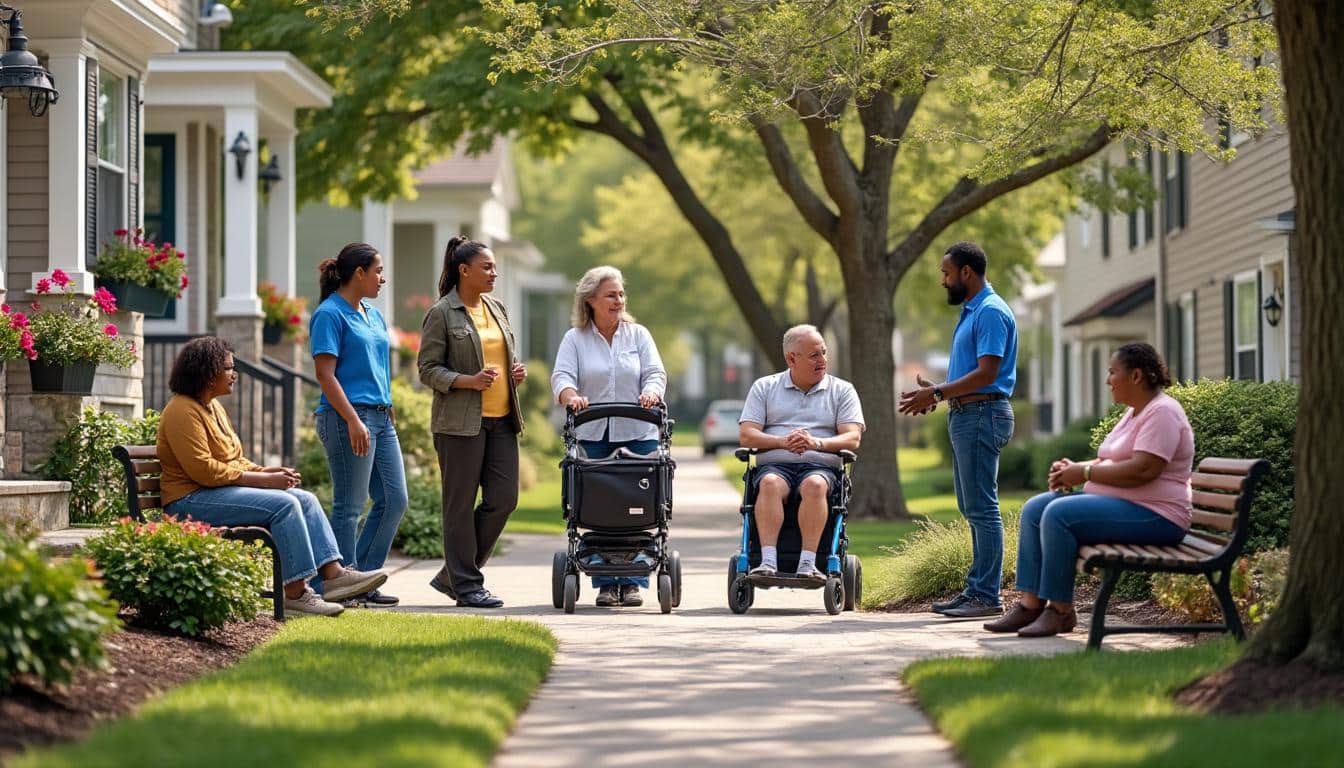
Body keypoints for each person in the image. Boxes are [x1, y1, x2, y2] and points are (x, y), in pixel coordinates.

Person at [157, 336, 388, 617]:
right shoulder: (181, 410)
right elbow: (203, 470)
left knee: (304, 499)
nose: (235, 374)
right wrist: (263, 481)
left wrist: (267, 471)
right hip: (189, 500)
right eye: (229, 368)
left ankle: (334, 575)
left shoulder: (212, 406)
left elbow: (232, 459)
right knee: (284, 505)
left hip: (213, 492)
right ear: (207, 373)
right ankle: (295, 594)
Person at [985, 343, 1194, 637]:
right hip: (1127, 505)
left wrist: (1083, 473)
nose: (1108, 380)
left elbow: (1144, 469)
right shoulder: (1135, 412)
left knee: (1059, 514)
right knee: (1035, 509)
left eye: (1112, 372)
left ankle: (1060, 612)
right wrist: (1074, 468)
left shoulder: (1162, 413)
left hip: (1159, 515)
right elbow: (1111, 459)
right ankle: (1030, 606)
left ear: (1135, 376)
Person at [899, 240, 1018, 619]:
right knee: (973, 507)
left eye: (946, 273)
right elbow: (974, 373)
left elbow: (988, 373)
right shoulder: (972, 311)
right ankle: (977, 591)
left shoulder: (990, 312)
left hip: (983, 414)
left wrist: (936, 392)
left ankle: (985, 595)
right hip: (968, 413)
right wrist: (939, 390)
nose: (943, 281)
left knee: (983, 508)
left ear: (967, 272)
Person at [418, 236, 526, 609]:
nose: (494, 272)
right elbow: (427, 370)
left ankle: (454, 574)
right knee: (459, 506)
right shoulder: (442, 313)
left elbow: (501, 354)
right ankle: (466, 586)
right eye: (487, 267)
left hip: (502, 421)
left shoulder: (497, 308)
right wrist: (468, 381)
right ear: (464, 271)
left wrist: (514, 374)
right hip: (459, 425)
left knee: (504, 499)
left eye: (495, 266)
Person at [551, 265, 668, 607]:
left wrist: (651, 392)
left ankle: (631, 581)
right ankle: (605, 582)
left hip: (638, 432)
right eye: (610, 295)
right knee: (600, 508)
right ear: (590, 300)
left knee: (636, 506)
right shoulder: (575, 339)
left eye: (620, 294)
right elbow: (562, 376)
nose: (618, 300)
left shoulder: (638, 335)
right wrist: (571, 396)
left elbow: (655, 373)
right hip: (593, 433)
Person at [310, 243, 408, 607]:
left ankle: (362, 580)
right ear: (359, 274)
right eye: (378, 271)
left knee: (395, 499)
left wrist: (388, 405)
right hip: (346, 417)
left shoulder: (373, 314)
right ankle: (339, 583)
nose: (383, 278)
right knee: (349, 506)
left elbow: (379, 366)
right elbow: (325, 374)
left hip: (380, 417)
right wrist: (352, 419)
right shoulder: (329, 314)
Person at [738, 325, 864, 582]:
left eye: (824, 353)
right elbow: (747, 435)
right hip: (775, 466)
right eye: (814, 355)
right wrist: (783, 442)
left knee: (815, 485)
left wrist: (816, 443)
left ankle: (808, 563)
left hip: (820, 468)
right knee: (770, 484)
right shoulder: (765, 387)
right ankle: (767, 561)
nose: (823, 361)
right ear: (791, 359)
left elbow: (852, 437)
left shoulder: (842, 390)